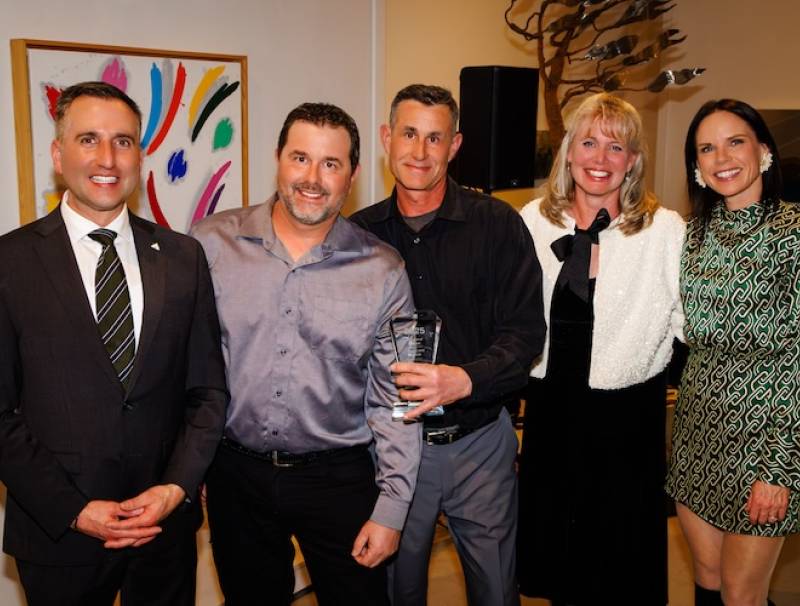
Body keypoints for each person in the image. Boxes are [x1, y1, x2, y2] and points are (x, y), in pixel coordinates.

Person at [0, 81, 228, 606]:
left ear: (138, 157)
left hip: (162, 532)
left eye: (123, 141)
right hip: (59, 532)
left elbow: (208, 393)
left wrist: (174, 490)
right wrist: (75, 509)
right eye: (89, 139)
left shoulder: (183, 257)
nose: (107, 158)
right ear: (59, 155)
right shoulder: (10, 264)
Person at [190, 102, 421, 606]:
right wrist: (192, 465)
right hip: (235, 476)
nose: (312, 178)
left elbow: (397, 400)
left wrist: (392, 508)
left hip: (339, 480)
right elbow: (188, 370)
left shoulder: (383, 270)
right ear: (278, 159)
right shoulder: (210, 245)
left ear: (353, 175)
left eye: (330, 164)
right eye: (300, 158)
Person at [350, 84, 545, 606]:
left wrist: (465, 379)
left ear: (454, 145)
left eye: (434, 138)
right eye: (409, 134)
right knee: (396, 593)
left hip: (479, 442)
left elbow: (526, 334)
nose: (420, 151)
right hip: (391, 453)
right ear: (387, 138)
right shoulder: (357, 237)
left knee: (496, 592)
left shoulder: (498, 225)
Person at [517, 93, 685, 605]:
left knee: (620, 561)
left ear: (633, 160)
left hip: (626, 418)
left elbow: (684, 323)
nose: (600, 158)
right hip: (550, 411)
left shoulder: (664, 229)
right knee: (558, 556)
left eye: (616, 147)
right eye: (588, 142)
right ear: (568, 152)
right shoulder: (531, 221)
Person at [666, 99, 800, 606]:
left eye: (735, 141)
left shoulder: (794, 232)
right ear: (696, 166)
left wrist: (780, 469)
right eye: (706, 147)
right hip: (698, 429)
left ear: (763, 150)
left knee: (743, 594)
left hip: (769, 437)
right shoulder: (690, 235)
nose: (721, 156)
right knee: (708, 576)